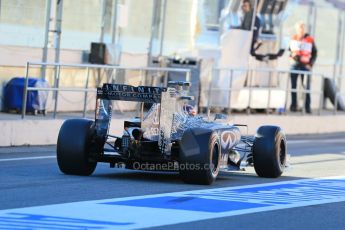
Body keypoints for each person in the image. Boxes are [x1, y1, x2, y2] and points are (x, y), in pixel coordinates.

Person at [289, 21, 317, 113]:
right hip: (295, 65)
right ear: (296, 29)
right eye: (299, 27)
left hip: (305, 66)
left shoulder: (309, 39)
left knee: (306, 87)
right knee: (293, 87)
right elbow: (290, 50)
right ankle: (293, 106)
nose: (300, 29)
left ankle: (307, 107)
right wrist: (292, 56)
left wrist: (310, 64)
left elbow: (314, 53)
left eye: (302, 27)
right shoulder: (294, 38)